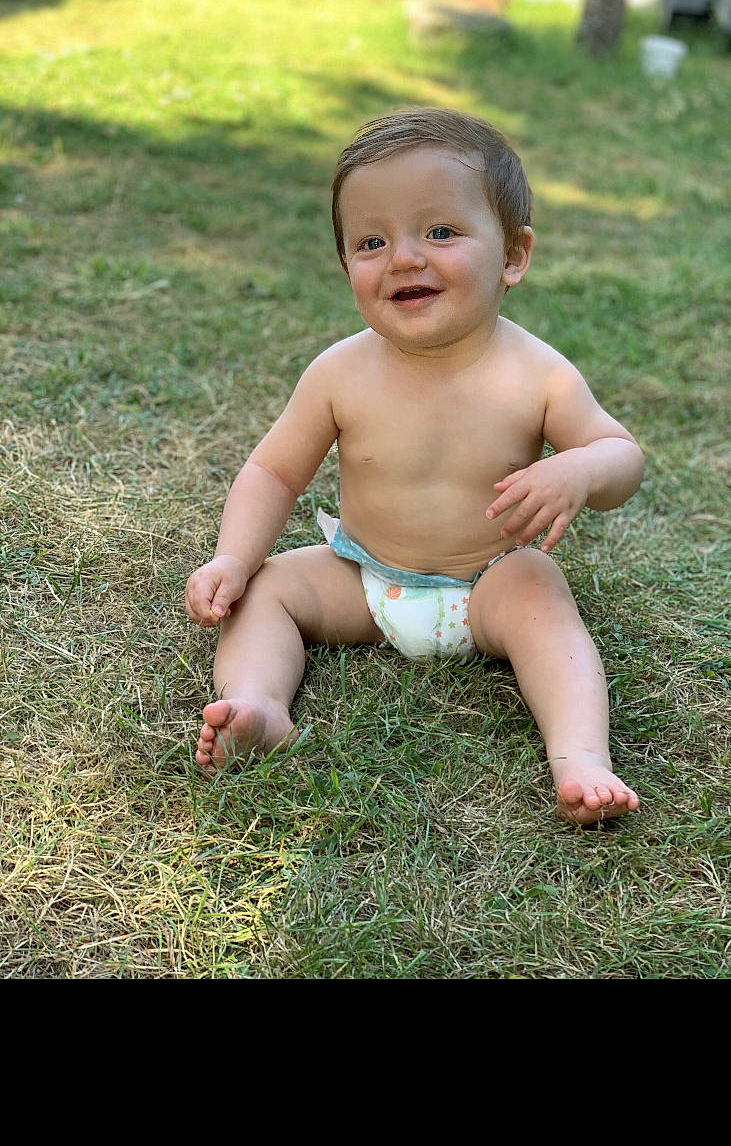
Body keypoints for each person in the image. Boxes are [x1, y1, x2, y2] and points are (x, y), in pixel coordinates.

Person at [185, 108, 645, 824]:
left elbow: (623, 456)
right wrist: (233, 559)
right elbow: (274, 472)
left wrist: (581, 471)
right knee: (269, 588)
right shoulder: (340, 372)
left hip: (488, 585)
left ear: (514, 256)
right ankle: (259, 706)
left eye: (440, 231)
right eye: (371, 241)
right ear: (347, 268)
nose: (404, 257)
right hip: (365, 578)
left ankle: (580, 755)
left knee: (540, 593)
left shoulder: (537, 375)